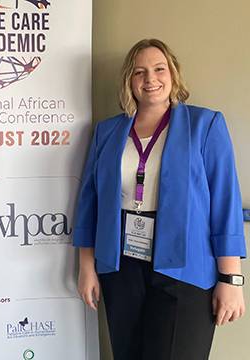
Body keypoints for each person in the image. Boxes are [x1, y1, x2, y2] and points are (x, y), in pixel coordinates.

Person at [73, 38, 246, 360]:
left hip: (186, 267)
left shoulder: (205, 125)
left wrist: (231, 278)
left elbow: (225, 203)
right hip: (121, 267)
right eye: (139, 72)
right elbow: (90, 202)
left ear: (173, 74)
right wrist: (87, 266)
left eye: (158, 69)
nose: (150, 79)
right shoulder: (108, 131)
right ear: (129, 80)